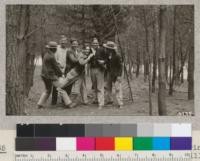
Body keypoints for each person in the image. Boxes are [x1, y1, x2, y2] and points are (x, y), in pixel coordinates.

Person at [37, 41, 76, 109]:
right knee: (61, 88)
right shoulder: (52, 56)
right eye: (55, 48)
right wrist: (62, 74)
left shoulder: (47, 54)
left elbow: (52, 65)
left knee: (47, 90)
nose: (56, 49)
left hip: (44, 75)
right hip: (50, 76)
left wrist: (57, 64)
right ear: (53, 49)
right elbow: (56, 68)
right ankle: (69, 104)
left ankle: (40, 104)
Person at [103, 41, 123, 108]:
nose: (106, 49)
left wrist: (119, 76)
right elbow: (108, 63)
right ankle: (109, 100)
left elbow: (120, 66)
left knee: (118, 89)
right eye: (106, 48)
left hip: (116, 74)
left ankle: (120, 103)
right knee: (108, 88)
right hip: (109, 73)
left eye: (107, 48)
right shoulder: (109, 55)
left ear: (111, 49)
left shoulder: (117, 56)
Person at [90, 38, 107, 109]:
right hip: (92, 69)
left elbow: (107, 58)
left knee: (100, 86)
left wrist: (103, 62)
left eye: (96, 43)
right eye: (94, 43)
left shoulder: (102, 49)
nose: (95, 44)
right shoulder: (90, 50)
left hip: (100, 69)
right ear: (92, 44)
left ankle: (101, 103)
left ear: (98, 43)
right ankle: (96, 100)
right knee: (95, 86)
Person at [51, 36, 68, 105]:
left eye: (65, 41)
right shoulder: (57, 49)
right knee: (55, 86)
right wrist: (59, 64)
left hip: (65, 70)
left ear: (66, 42)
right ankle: (54, 102)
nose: (63, 42)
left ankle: (63, 100)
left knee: (64, 85)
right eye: (62, 41)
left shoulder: (67, 49)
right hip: (57, 70)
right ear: (60, 41)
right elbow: (54, 59)